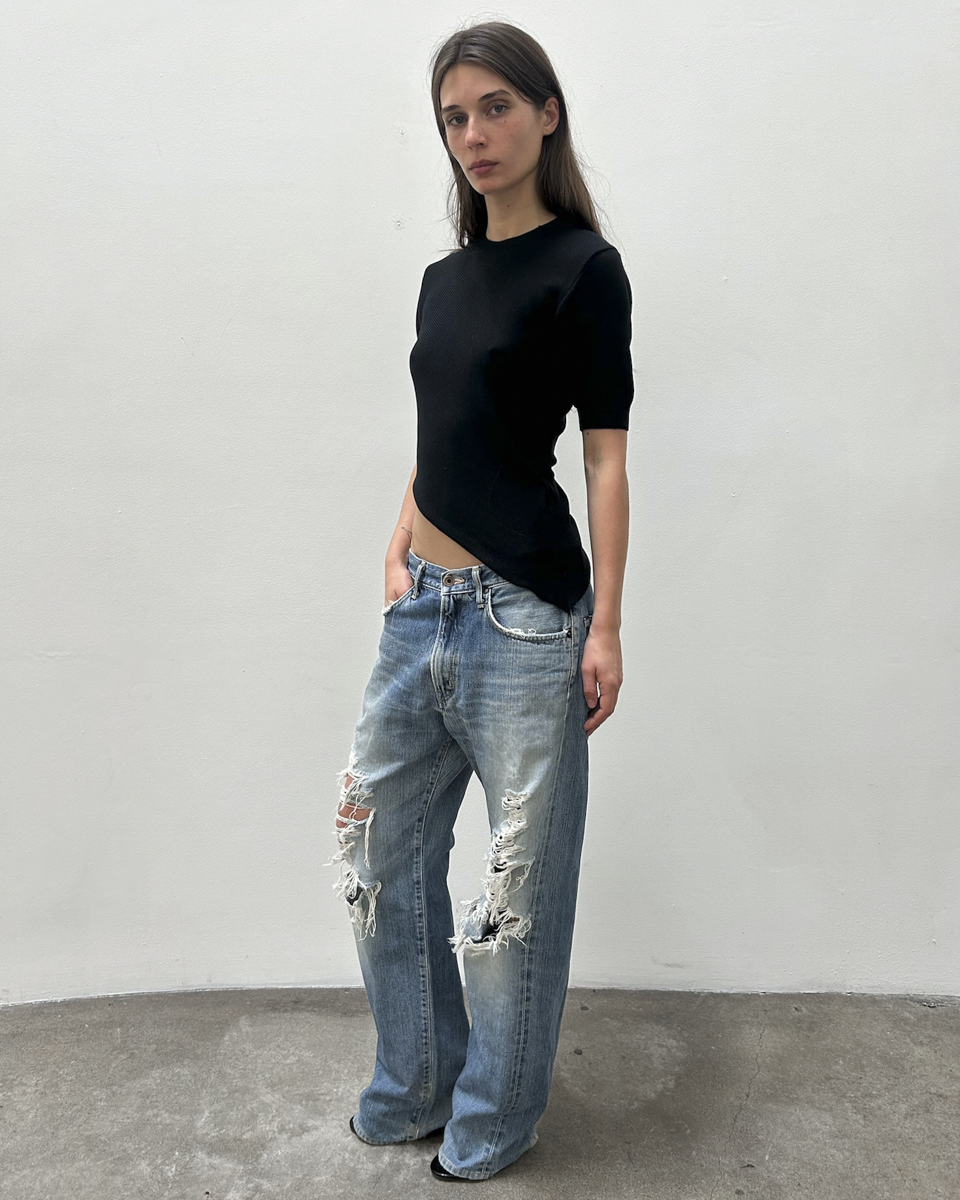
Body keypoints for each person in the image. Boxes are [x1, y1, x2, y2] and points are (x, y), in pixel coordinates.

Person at [330, 20, 633, 1182]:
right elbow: (442, 428)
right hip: (422, 608)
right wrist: (397, 538)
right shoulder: (442, 281)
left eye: (496, 107)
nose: (474, 134)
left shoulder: (584, 269)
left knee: (513, 893)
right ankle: (416, 1083)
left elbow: (603, 456)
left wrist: (607, 626)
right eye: (455, 116)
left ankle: (495, 1118)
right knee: (375, 847)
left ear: (546, 114)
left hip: (526, 618)